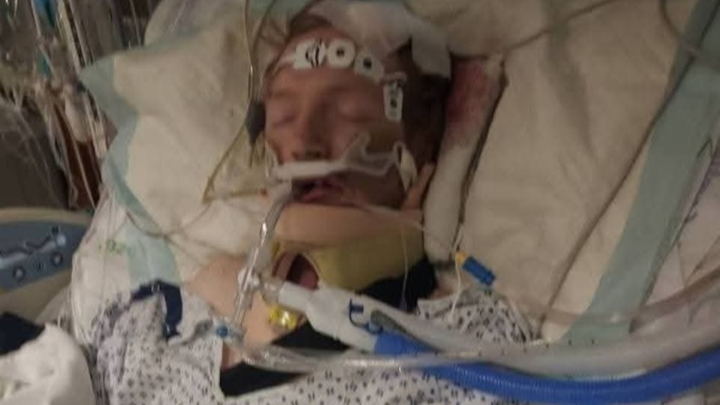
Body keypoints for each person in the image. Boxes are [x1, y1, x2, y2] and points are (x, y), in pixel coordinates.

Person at [85, 2, 530, 404]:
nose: (303, 142)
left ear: (420, 152)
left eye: (347, 113)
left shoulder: (465, 354)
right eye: (282, 116)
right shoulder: (154, 327)